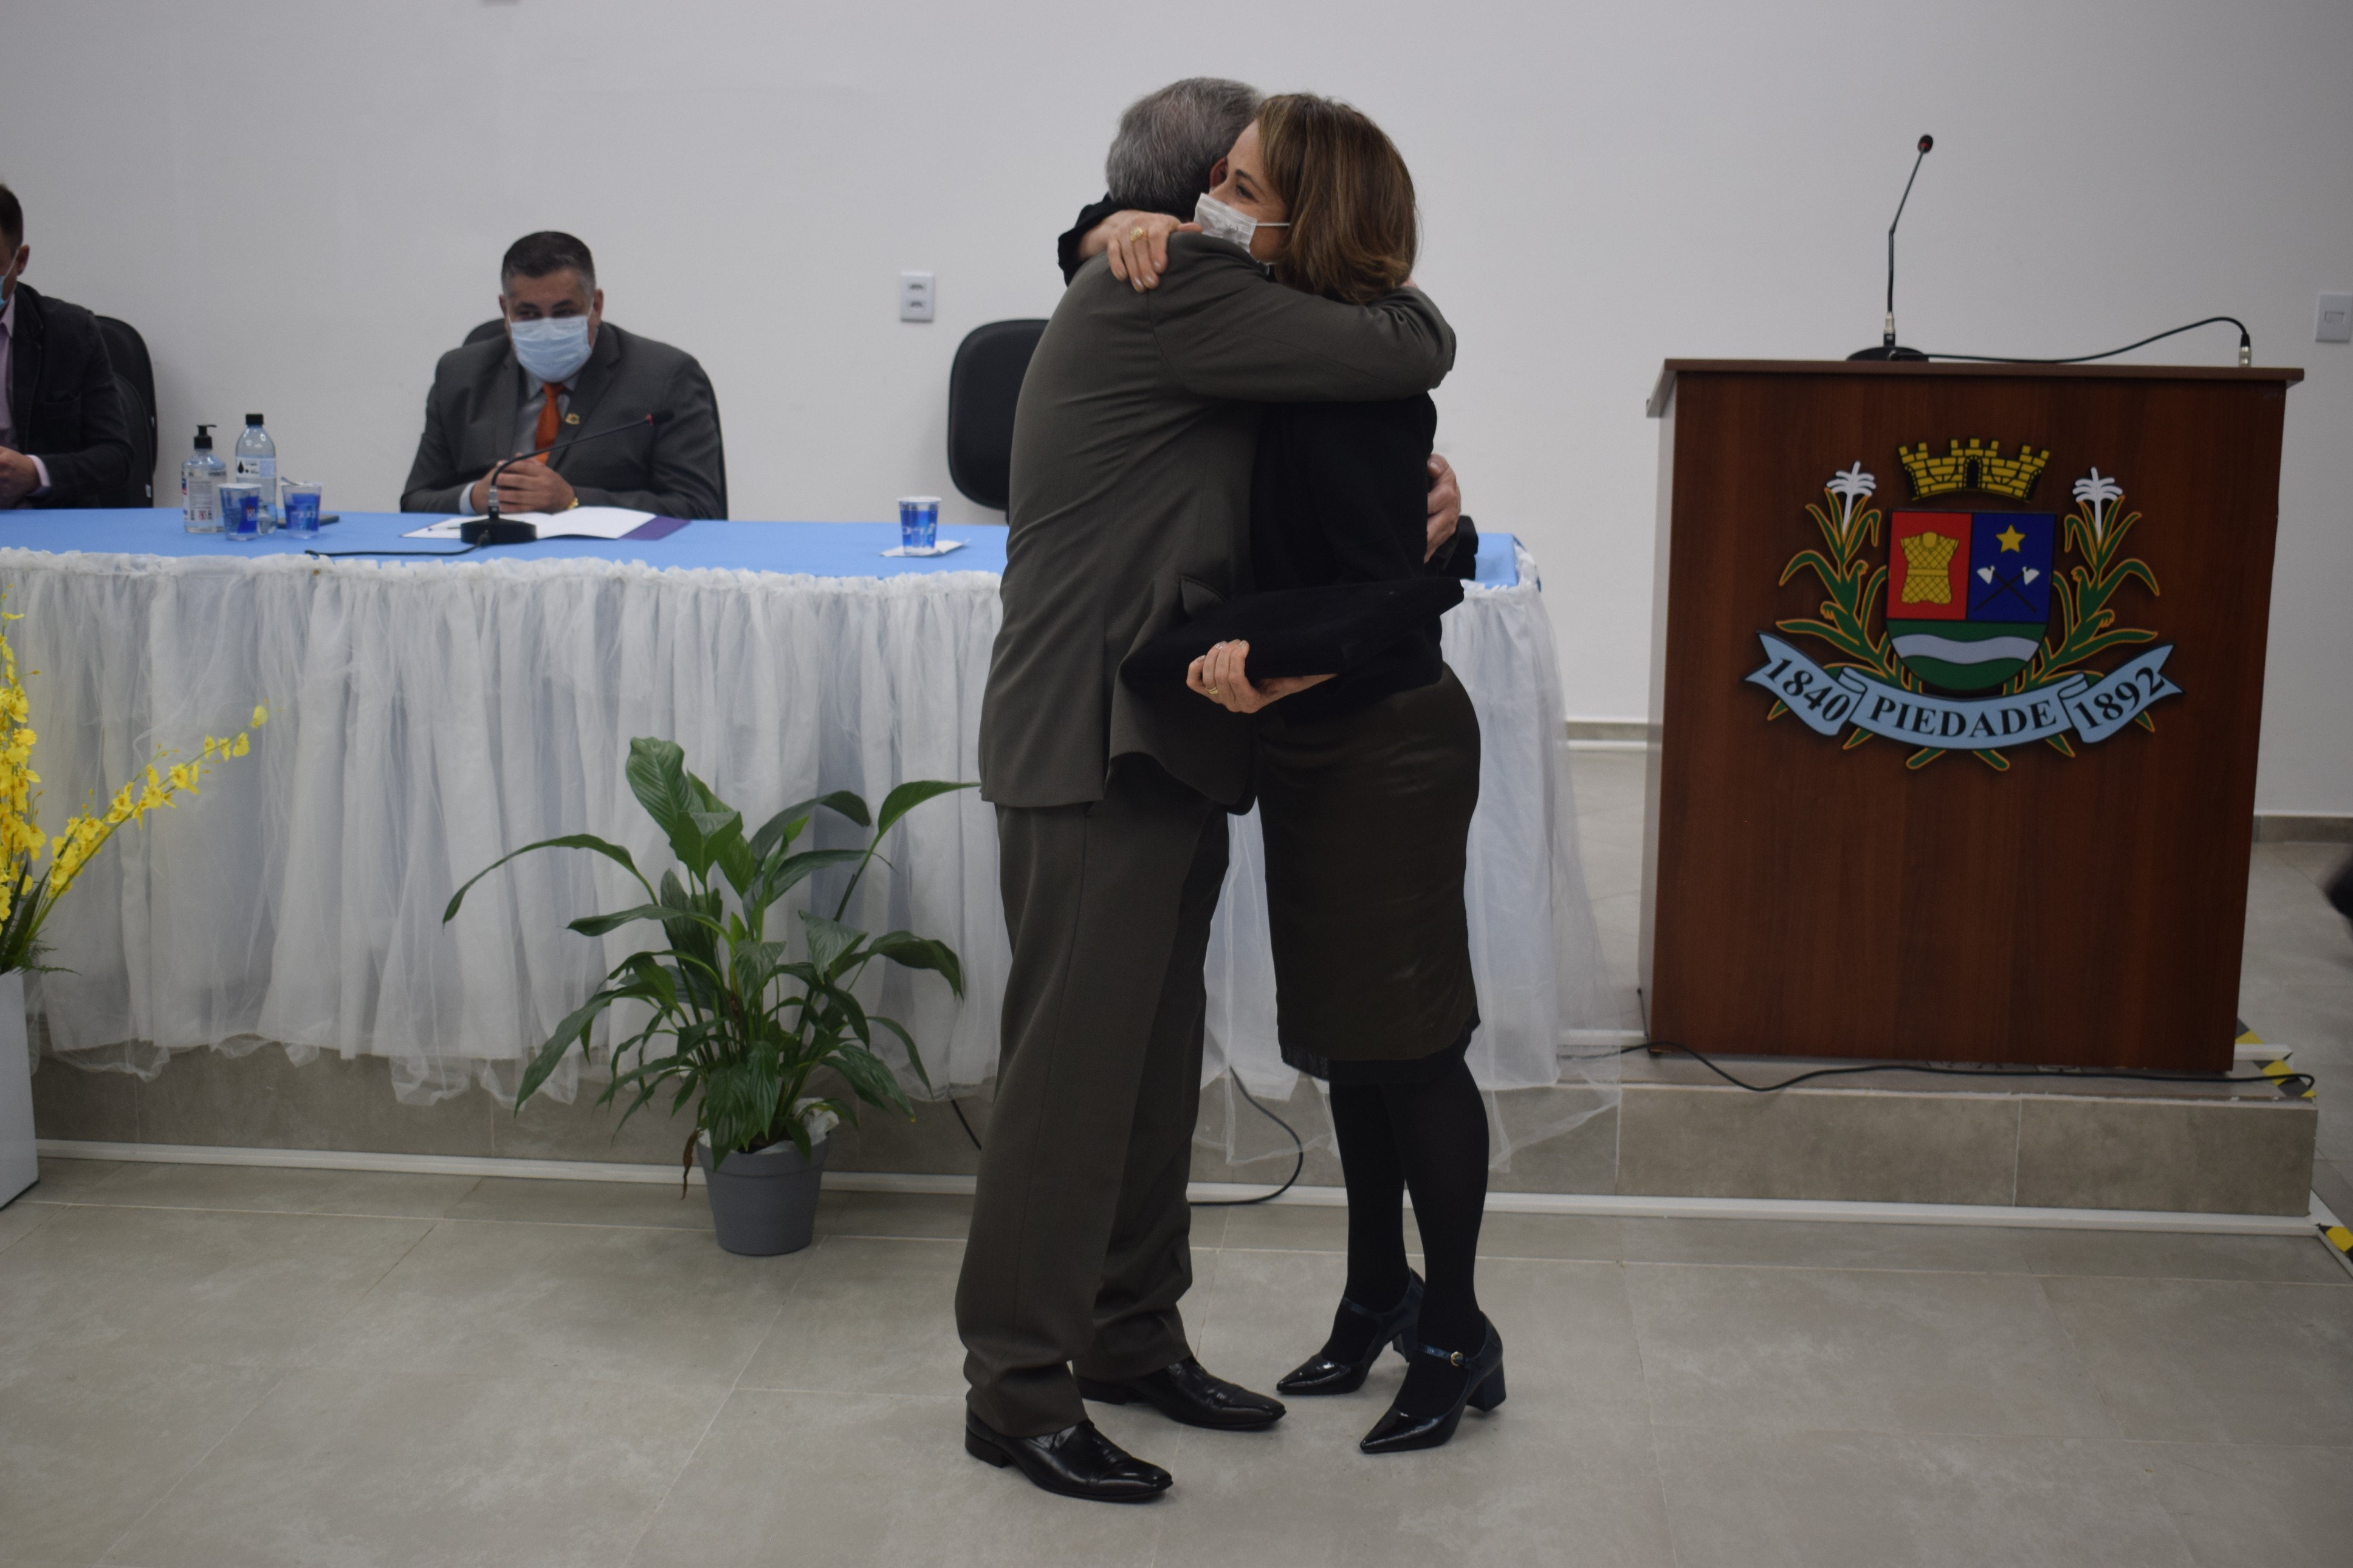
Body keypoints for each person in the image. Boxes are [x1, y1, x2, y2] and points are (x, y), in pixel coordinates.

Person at [960, 100, 1458, 1501]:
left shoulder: (1197, 303)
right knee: (1070, 1083)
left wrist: (1434, 499)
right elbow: (1410, 340)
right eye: (1230, 184)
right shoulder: (1171, 279)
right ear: (1185, 207)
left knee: (1142, 1067)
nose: (1240, 207)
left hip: (1167, 732)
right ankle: (1014, 1382)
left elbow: (1327, 464)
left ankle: (1124, 1332)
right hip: (1089, 735)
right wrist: (1134, 230)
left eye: (1262, 187)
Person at [1183, 95, 1503, 1456]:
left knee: (1414, 1054)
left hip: (1384, 747)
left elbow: (1395, 601)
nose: (1218, 195)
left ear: (1306, 216)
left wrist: (1255, 658)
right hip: (1321, 747)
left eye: (1243, 182)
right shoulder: (1289, 352)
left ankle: (1456, 1330)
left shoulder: (1366, 378)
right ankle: (1377, 1290)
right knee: (1353, 1054)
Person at [1057, 79, 1465, 561]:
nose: (1219, 198)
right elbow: (1413, 342)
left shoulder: (1268, 328)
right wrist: (1393, 282)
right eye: (1223, 176)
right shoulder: (1183, 275)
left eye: (1243, 185)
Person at [400, 231, 725, 518]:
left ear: (595, 306)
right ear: (505, 311)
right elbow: (415, 500)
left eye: (564, 313)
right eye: (528, 314)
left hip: (610, 570)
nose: (547, 328)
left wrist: (574, 500)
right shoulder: (461, 375)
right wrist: (473, 498)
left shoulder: (665, 377)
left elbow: (698, 509)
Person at [0, 183, 133, 510]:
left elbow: (115, 457)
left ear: (21, 260)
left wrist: (35, 473)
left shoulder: (71, 333)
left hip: (45, 526)